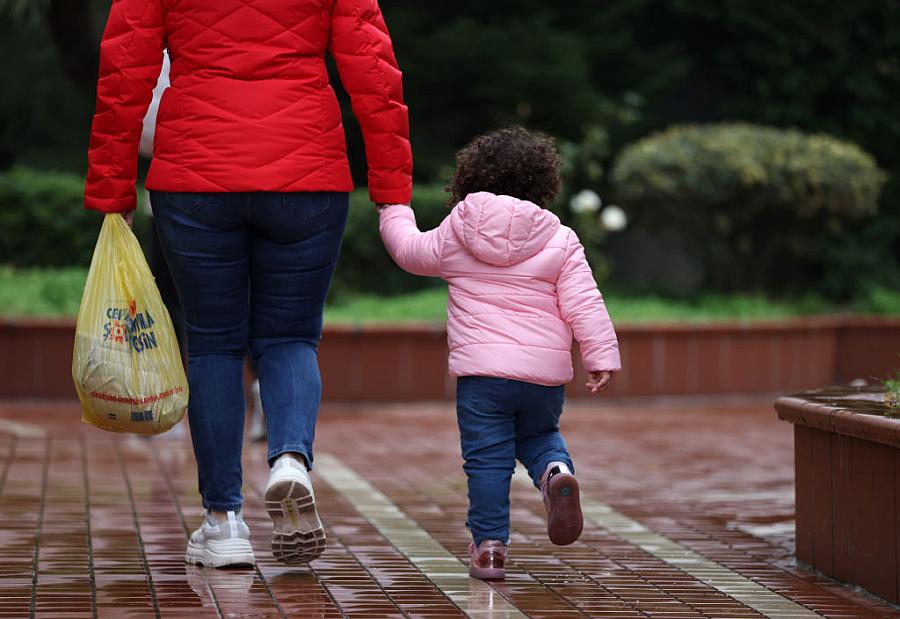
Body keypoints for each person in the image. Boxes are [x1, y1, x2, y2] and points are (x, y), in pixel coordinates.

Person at [84, 0, 412, 568]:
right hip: (307, 170)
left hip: (194, 173)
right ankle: (289, 461)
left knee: (213, 342)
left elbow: (124, 72)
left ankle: (222, 522)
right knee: (290, 337)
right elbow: (373, 71)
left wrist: (113, 189)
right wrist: (392, 191)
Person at [378, 127, 620, 580]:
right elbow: (585, 301)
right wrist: (599, 355)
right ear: (542, 183)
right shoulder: (559, 237)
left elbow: (409, 251)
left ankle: (490, 548)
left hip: (483, 377)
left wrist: (394, 209)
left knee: (487, 461)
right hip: (543, 377)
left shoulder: (458, 231)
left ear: (470, 176)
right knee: (540, 436)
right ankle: (553, 472)